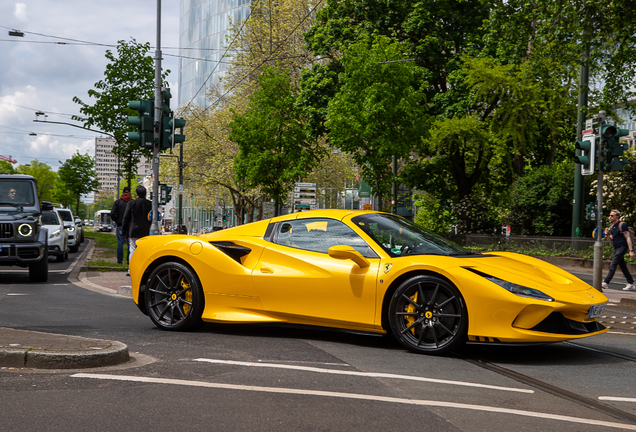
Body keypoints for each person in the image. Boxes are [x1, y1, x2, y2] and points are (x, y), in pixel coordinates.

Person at [122, 185, 152, 276]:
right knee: (143, 251)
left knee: (132, 250)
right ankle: (142, 270)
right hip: (145, 231)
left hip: (133, 230)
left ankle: (131, 270)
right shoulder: (149, 204)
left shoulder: (131, 203)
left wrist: (124, 231)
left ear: (136, 194)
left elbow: (126, 218)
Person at [602, 209, 635, 291]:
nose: (610, 217)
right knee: (622, 266)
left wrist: (631, 250)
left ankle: (606, 282)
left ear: (617, 216)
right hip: (616, 248)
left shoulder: (622, 225)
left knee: (613, 264)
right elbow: (612, 240)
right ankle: (631, 283)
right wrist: (607, 235)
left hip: (622, 247)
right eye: (610, 215)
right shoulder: (612, 227)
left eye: (612, 215)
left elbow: (627, 238)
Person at [110, 186, 133, 265]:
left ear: (123, 192)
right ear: (129, 193)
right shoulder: (132, 202)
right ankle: (128, 261)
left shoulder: (118, 202)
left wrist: (116, 220)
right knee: (130, 244)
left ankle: (119, 261)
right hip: (130, 226)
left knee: (120, 243)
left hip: (120, 225)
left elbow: (112, 213)